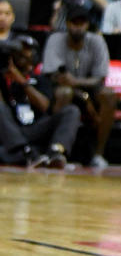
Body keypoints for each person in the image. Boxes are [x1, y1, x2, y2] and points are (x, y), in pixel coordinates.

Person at [41, 6, 117, 168]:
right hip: (61, 91)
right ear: (67, 24)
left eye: (81, 23)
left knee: (109, 95)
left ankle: (98, 154)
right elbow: (54, 75)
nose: (77, 27)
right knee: (64, 92)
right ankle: (56, 150)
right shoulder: (56, 39)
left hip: (90, 89)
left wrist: (78, 85)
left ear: (88, 25)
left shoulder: (96, 41)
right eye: (74, 23)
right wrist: (81, 95)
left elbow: (100, 77)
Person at [0, 35, 81, 168]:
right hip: (11, 132)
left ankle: (55, 152)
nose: (23, 54)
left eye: (28, 50)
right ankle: (25, 152)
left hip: (36, 128)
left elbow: (44, 106)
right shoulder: (2, 78)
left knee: (72, 111)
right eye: (20, 50)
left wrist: (23, 82)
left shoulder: (40, 79)